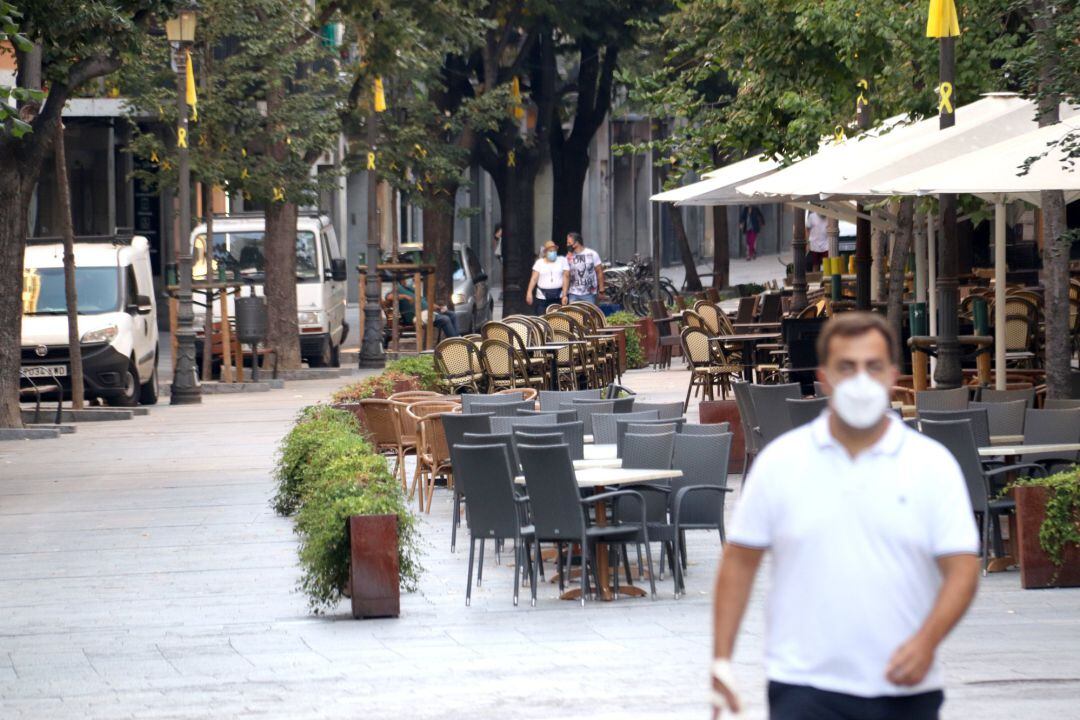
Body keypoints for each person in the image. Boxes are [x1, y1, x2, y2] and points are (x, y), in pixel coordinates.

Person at [710, 312, 980, 720]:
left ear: (892, 375)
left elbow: (962, 568)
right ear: (824, 377)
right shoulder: (783, 462)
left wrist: (927, 641)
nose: (860, 379)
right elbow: (740, 561)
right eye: (846, 367)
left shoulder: (930, 464)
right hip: (804, 685)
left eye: (872, 366)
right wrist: (721, 660)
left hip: (905, 685)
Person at [389, 276, 460, 339]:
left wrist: (437, 307)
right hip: (416, 315)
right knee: (445, 319)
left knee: (452, 314)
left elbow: (423, 301)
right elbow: (388, 297)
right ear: (402, 279)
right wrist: (405, 296)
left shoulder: (410, 288)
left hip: (427, 312)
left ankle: (457, 339)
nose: (410, 279)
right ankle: (454, 343)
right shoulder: (398, 288)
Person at [525, 240, 569, 315]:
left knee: (558, 319)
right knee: (542, 318)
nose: (552, 252)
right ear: (545, 252)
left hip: (559, 294)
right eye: (550, 251)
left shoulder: (562, 260)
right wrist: (529, 292)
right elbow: (534, 279)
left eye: (554, 250)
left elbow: (566, 277)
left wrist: (564, 295)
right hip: (542, 296)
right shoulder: (539, 263)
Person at [565, 232, 604, 304]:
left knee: (589, 314)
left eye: (569, 243)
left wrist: (601, 289)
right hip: (573, 294)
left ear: (576, 243)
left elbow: (599, 271)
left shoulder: (592, 254)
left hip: (589, 293)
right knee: (574, 314)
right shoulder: (569, 256)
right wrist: (564, 294)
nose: (567, 245)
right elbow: (566, 276)